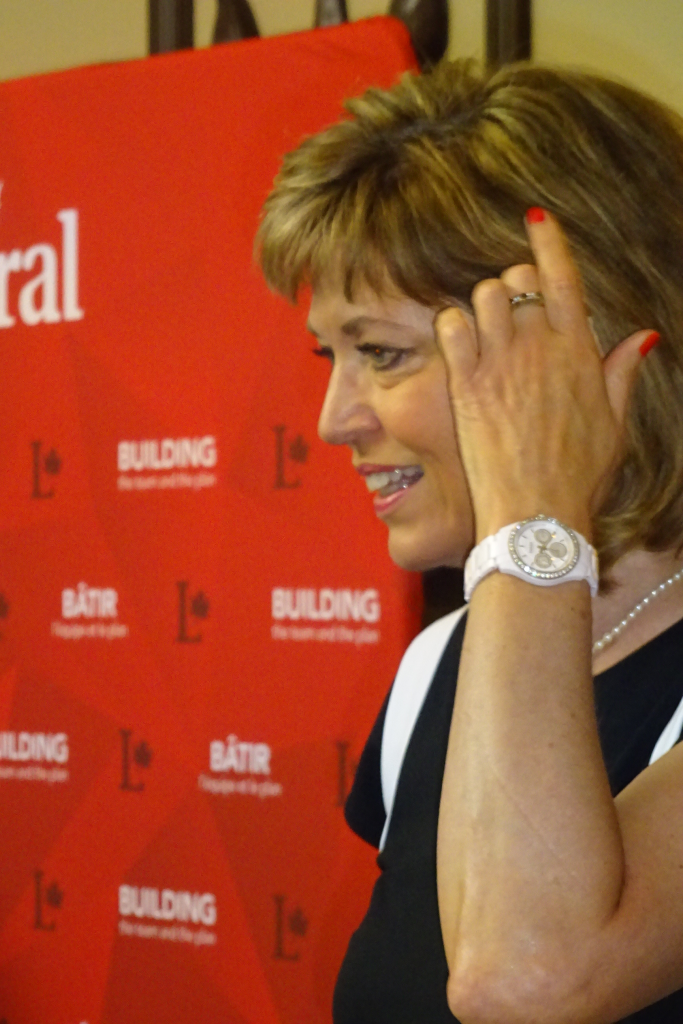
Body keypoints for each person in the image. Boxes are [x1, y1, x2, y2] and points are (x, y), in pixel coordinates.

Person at [256, 60, 683, 1024]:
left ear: (579, 342)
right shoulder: (437, 665)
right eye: (333, 356)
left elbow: (525, 980)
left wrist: (536, 511)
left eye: (384, 353)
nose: (332, 419)